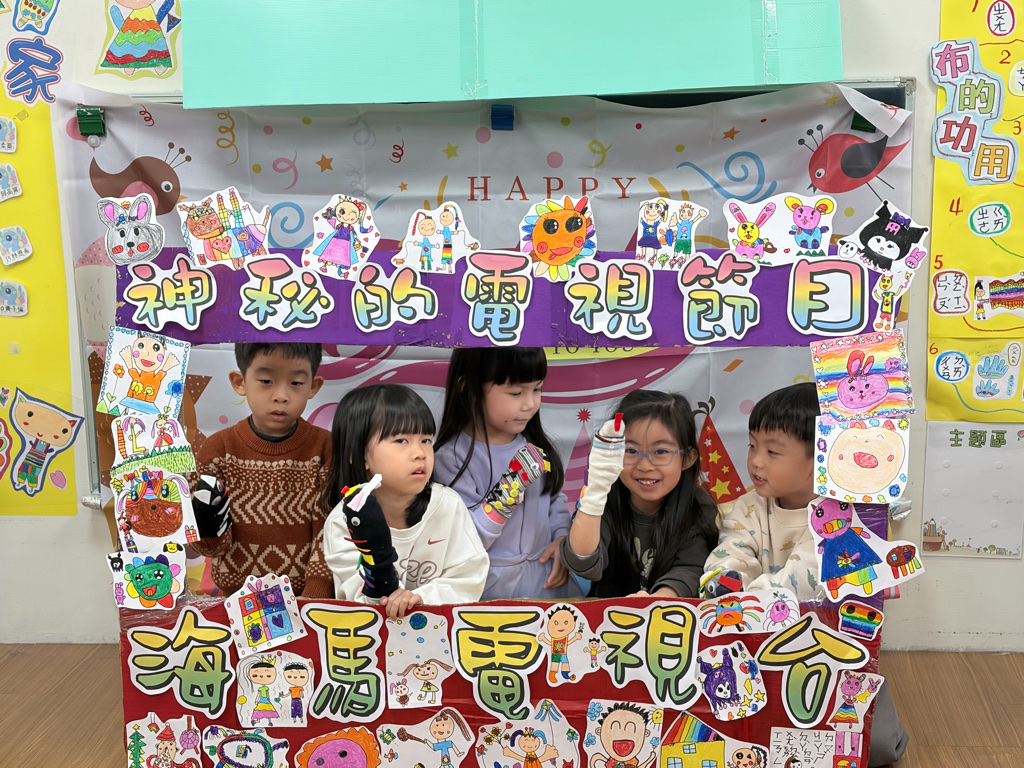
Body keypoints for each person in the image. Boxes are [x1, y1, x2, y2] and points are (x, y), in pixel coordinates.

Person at [703, 382, 907, 767]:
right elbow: (729, 554)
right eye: (752, 445)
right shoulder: (747, 508)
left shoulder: (842, 517)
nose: (755, 461)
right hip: (754, 648)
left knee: (874, 746)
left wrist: (746, 599)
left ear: (820, 456)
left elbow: (802, 579)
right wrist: (723, 580)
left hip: (832, 653)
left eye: (772, 451)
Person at [321, 384, 488, 617]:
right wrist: (383, 582)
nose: (420, 453)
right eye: (401, 441)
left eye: (426, 440)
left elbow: (468, 578)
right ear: (357, 453)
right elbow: (358, 600)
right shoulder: (344, 522)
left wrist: (422, 598)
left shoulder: (448, 506)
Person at [434, 347, 582, 600]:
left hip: (548, 585)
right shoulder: (451, 459)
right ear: (468, 388)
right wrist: (509, 489)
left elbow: (553, 498)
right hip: (490, 592)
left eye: (537, 389)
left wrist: (562, 538)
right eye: (516, 393)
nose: (530, 404)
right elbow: (465, 541)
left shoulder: (536, 446)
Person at [190, 343, 334, 598]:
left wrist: (314, 596)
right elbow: (211, 547)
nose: (281, 396)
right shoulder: (217, 450)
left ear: (313, 386)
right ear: (240, 382)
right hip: (235, 600)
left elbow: (330, 532)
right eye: (266, 381)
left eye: (296, 383)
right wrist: (205, 525)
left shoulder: (326, 448)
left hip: (306, 601)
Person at [560, 389, 718, 597]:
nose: (644, 465)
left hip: (666, 612)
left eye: (660, 452)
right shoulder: (604, 500)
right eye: (631, 451)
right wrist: (596, 491)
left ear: (687, 459)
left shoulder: (698, 507)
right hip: (606, 614)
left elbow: (689, 572)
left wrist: (653, 603)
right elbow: (581, 563)